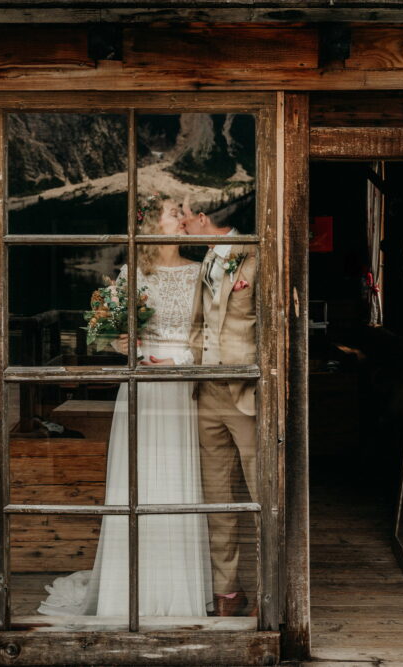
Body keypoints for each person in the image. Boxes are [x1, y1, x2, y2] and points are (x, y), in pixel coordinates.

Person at [38, 194, 212, 619]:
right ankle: (129, 588)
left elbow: (210, 335)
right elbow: (113, 337)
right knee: (140, 478)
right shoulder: (133, 275)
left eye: (182, 212)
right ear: (154, 224)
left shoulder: (199, 272)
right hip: (143, 387)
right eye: (174, 213)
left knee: (178, 479)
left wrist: (180, 361)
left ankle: (177, 589)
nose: (183, 217)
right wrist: (122, 344)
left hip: (181, 385)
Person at [181, 199, 258, 617]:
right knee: (217, 499)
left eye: (185, 216)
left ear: (202, 218)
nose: (182, 224)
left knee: (263, 495)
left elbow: (276, 324)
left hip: (247, 391)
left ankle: (273, 590)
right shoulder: (207, 259)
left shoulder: (257, 254)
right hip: (206, 390)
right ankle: (228, 593)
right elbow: (199, 323)